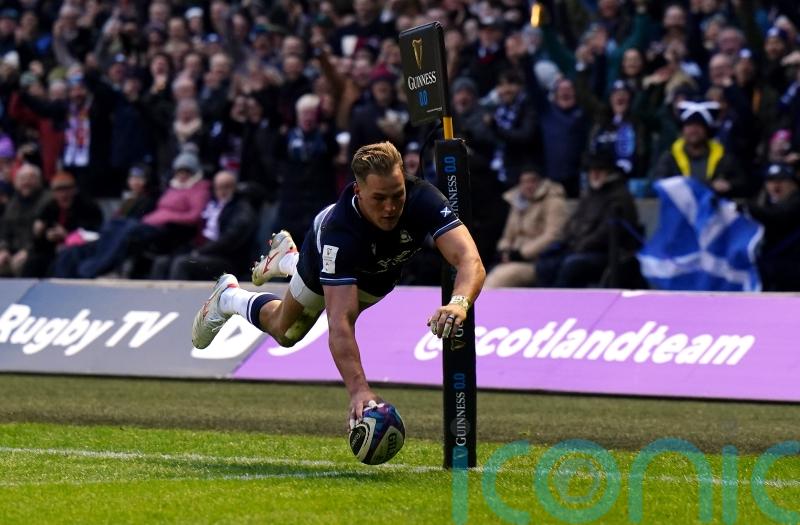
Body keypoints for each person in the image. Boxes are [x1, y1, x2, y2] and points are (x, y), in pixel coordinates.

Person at [192, 142, 485, 425]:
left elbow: (469, 260)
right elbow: (340, 320)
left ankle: (286, 260)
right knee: (286, 331)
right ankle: (229, 296)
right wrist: (359, 389)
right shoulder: (339, 234)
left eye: (397, 195)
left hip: (379, 271)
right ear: (358, 190)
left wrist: (459, 302)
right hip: (325, 254)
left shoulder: (424, 198)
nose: (390, 207)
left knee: (339, 298)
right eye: (379, 198)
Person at [485, 167, 568, 288]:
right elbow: (508, 235)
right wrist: (505, 251)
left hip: (538, 262)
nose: (528, 185)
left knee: (499, 279)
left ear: (541, 182)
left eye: (532, 181)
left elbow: (553, 235)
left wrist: (521, 254)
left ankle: (479, 306)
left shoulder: (554, 201)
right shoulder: (517, 202)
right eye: (524, 181)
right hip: (512, 260)